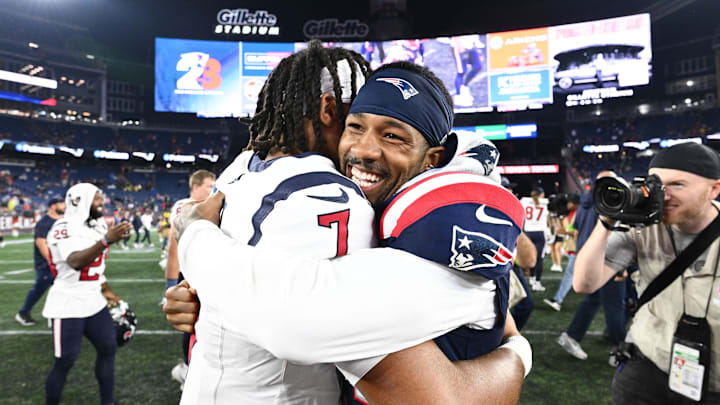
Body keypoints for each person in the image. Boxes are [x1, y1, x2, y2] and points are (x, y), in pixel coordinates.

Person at [168, 54, 529, 404]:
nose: (365, 149)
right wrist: (207, 294)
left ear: (433, 158)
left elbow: (294, 321)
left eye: (393, 136)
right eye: (354, 126)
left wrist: (518, 352)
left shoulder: (439, 216)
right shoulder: (272, 170)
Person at [574, 142, 720, 404]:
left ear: (714, 189)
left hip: (713, 383)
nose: (663, 194)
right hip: (647, 366)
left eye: (678, 184)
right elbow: (584, 283)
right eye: (657, 184)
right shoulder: (642, 229)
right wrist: (607, 220)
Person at [41, 183, 132, 405]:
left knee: (108, 347)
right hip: (67, 301)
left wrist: (108, 291)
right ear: (79, 201)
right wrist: (106, 241)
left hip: (94, 299)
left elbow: (95, 269)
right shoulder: (63, 226)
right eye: (97, 198)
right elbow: (75, 262)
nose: (102, 203)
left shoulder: (98, 226)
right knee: (66, 360)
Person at [164, 169, 215, 389]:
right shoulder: (185, 207)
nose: (212, 190)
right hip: (191, 275)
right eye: (208, 186)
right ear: (195, 187)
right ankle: (188, 369)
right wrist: (170, 284)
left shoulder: (209, 206)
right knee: (193, 324)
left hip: (205, 272)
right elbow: (174, 250)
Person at [15, 196, 65, 326]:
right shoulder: (44, 222)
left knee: (62, 290)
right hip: (46, 264)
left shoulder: (63, 221)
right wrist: (52, 261)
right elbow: (41, 243)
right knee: (38, 289)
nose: (64, 206)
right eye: (61, 203)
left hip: (59, 263)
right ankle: (23, 313)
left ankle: (55, 315)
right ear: (53, 206)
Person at [544, 192, 581, 311]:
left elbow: (579, 233)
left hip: (581, 248)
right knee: (572, 275)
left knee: (570, 275)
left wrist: (565, 231)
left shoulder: (580, 214)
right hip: (573, 248)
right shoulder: (568, 215)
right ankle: (557, 300)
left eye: (570, 203)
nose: (568, 205)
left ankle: (558, 300)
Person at [520, 187, 549, 291]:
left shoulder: (525, 201)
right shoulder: (545, 203)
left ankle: (532, 279)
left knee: (530, 257)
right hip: (540, 233)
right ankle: (537, 282)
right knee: (539, 258)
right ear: (540, 194)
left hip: (528, 232)